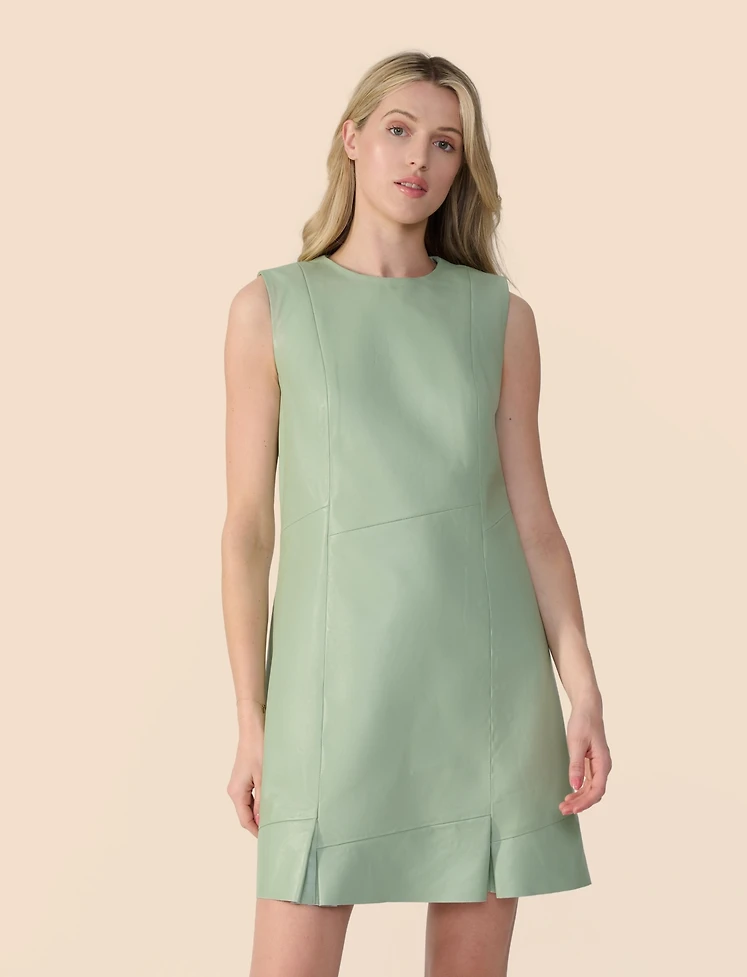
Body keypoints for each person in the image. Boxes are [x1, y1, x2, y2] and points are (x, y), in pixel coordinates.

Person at [221, 50, 612, 977]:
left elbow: (535, 521)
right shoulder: (271, 308)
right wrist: (251, 717)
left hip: (486, 692)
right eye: (398, 130)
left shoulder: (499, 316)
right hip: (330, 693)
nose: (419, 158)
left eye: (445, 143)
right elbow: (247, 531)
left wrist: (583, 688)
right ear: (352, 139)